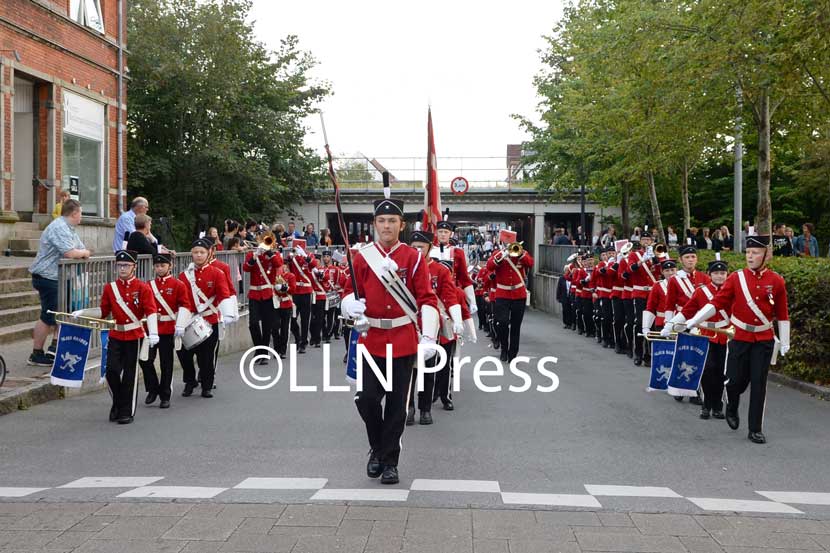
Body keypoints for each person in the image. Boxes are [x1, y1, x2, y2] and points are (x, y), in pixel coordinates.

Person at [340, 194, 439, 485]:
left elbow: (427, 299)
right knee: (367, 399)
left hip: (403, 339)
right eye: (381, 221)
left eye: (392, 221)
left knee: (396, 407)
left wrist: (429, 337)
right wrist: (349, 304)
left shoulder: (414, 258)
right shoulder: (362, 257)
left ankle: (389, 462)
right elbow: (349, 290)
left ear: (401, 224)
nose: (386, 226)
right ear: (374, 224)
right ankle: (378, 447)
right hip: (370, 338)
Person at [684, 236, 789, 443]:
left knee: (759, 383)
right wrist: (694, 320)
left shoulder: (776, 280)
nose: (750, 256)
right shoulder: (736, 278)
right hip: (739, 336)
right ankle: (731, 405)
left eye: (756, 253)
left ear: (766, 255)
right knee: (733, 382)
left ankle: (755, 428)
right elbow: (717, 303)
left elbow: (782, 314)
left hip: (764, 337)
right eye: (748, 252)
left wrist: (785, 341)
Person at [75, 250, 159, 424]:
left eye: (126, 265)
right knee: (111, 371)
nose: (122, 268)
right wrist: (84, 312)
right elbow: (104, 312)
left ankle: (126, 411)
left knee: (130, 374)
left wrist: (154, 333)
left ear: (134, 267)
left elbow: (151, 311)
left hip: (135, 335)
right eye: (119, 265)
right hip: (116, 333)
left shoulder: (143, 288)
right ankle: (118, 402)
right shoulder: (110, 288)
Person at [663, 259, 731, 420]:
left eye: (723, 273)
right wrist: (671, 325)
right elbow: (688, 311)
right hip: (704, 335)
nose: (720, 276)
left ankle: (717, 405)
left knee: (721, 373)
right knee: (707, 370)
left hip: (724, 335)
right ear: (710, 275)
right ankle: (707, 404)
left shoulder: (731, 291)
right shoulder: (701, 292)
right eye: (716, 273)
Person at [28, 200, 92, 366]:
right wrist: (83, 252)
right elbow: (71, 252)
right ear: (74, 213)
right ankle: (36, 354)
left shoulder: (69, 229)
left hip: (60, 277)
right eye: (81, 213)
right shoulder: (59, 227)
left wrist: (82, 252)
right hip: (48, 277)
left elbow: (80, 248)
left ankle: (54, 349)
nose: (81, 216)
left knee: (61, 314)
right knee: (48, 316)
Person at [406, 230, 460, 425]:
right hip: (409, 325)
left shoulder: (441, 270)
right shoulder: (403, 268)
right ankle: (409, 407)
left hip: (431, 326)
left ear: (429, 247)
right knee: (408, 370)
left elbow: (449, 296)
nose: (417, 250)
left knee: (429, 369)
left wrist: (458, 319)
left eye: (421, 247)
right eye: (414, 247)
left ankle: (425, 408)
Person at [177, 238, 234, 398]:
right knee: (185, 354)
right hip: (189, 319)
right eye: (195, 252)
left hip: (210, 320)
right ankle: (189, 381)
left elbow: (224, 294)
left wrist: (228, 313)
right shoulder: (184, 276)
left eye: (202, 252)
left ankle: (206, 386)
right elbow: (181, 300)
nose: (199, 255)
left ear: (209, 254)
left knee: (207, 357)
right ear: (191, 254)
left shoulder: (217, 273)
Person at [140, 252, 193, 409]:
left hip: (168, 328)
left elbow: (185, 305)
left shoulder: (178, 285)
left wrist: (180, 324)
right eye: (157, 266)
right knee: (145, 359)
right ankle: (152, 388)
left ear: (170, 266)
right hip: (150, 329)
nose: (159, 268)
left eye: (162, 265)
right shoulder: (148, 285)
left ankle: (165, 395)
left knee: (166, 363)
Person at [486, 230, 534, 362]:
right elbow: (489, 266)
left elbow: (530, 263)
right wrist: (501, 255)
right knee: (502, 323)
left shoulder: (520, 252)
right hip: (502, 294)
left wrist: (520, 254)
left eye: (511, 242)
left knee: (515, 325)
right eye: (506, 242)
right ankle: (504, 348)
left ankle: (513, 353)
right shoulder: (498, 254)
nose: (508, 244)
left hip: (519, 294)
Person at [243, 240, 283, 362]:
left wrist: (269, 253)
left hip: (267, 294)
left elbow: (278, 264)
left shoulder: (272, 255)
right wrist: (254, 257)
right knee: (253, 323)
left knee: (267, 325)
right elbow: (246, 268)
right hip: (254, 294)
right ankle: (259, 349)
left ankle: (264, 352)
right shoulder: (252, 255)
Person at [622, 232, 658, 366]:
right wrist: (642, 260)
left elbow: (661, 270)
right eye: (644, 239)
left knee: (653, 325)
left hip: (653, 293)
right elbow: (630, 269)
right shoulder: (633, 255)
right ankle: (638, 353)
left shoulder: (655, 254)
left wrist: (655, 259)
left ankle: (649, 354)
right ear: (640, 241)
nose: (646, 241)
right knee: (640, 323)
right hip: (639, 293)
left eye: (648, 239)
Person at [435, 220, 477, 317]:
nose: (443, 235)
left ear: (451, 234)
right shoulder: (430, 250)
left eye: (446, 232)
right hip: (433, 295)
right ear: (436, 233)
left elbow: (464, 278)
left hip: (451, 295)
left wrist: (472, 301)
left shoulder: (457, 252)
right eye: (440, 231)